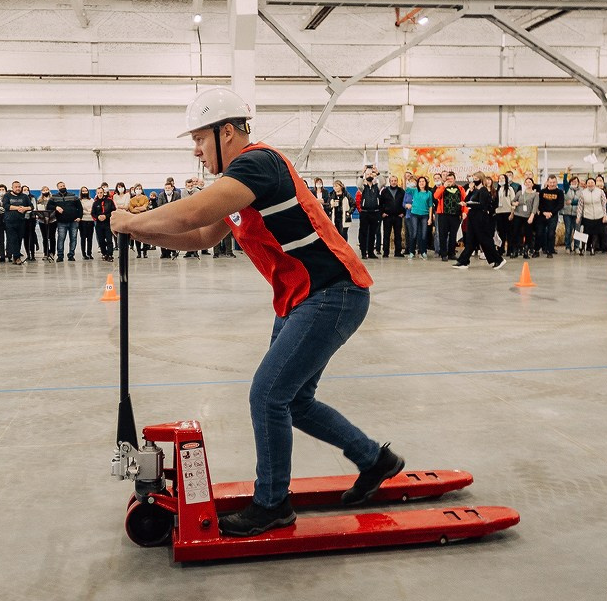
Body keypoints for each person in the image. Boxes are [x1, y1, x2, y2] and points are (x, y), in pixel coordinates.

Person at [111, 88, 402, 537]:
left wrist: (130, 221)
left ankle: (272, 504)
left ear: (226, 132)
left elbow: (191, 215)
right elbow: (202, 236)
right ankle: (374, 459)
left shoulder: (256, 163)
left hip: (331, 293)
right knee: (294, 400)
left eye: (200, 139)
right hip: (302, 297)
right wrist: (140, 234)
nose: (196, 150)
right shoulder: (241, 184)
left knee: (267, 396)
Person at [452, 171, 505, 269]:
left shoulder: (483, 190)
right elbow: (466, 199)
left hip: (480, 218)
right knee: (470, 241)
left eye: (476, 178)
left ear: (481, 179)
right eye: (473, 178)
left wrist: (468, 204)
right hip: (472, 217)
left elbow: (482, 205)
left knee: (485, 240)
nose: (474, 180)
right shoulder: (475, 190)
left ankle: (498, 259)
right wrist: (471, 191)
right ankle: (463, 261)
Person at [433, 172, 464, 261]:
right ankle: (443, 254)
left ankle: (451, 253)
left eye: (451, 179)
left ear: (455, 179)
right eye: (448, 179)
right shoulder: (441, 188)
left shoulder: (460, 188)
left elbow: (464, 200)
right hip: (443, 215)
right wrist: (444, 187)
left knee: (453, 235)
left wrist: (464, 212)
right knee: (443, 234)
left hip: (455, 215)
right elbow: (436, 196)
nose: (449, 180)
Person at [1, 181, 32, 265]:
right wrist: (18, 208)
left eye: (19, 187)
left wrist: (24, 208)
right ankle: (16, 257)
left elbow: (31, 206)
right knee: (13, 239)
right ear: (12, 188)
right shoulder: (7, 196)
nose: (18, 188)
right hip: (9, 221)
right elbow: (6, 206)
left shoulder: (24, 196)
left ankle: (16, 256)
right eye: (16, 187)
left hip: (21, 221)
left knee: (19, 239)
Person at [50, 181, 82, 262]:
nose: (62, 187)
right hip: (61, 222)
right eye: (61, 186)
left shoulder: (73, 196)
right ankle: (60, 256)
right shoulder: (54, 197)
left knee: (73, 239)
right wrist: (56, 207)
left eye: (63, 185)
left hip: (73, 221)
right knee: (61, 239)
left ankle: (71, 255)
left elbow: (80, 207)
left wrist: (79, 217)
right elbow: (49, 206)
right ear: (58, 188)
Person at [575, 176, 607, 255]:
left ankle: (593, 248)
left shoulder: (600, 192)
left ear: (595, 183)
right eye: (588, 183)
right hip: (587, 216)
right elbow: (580, 206)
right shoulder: (583, 193)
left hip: (598, 216)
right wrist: (578, 216)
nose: (590, 184)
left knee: (595, 233)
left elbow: (604, 204)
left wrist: (605, 215)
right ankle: (582, 248)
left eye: (592, 182)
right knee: (585, 233)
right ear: (586, 184)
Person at [535, 175, 564, 258]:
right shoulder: (542, 192)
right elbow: (539, 204)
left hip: (553, 216)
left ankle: (550, 251)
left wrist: (551, 213)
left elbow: (560, 205)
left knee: (551, 234)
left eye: (554, 182)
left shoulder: (560, 192)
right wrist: (544, 212)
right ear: (547, 182)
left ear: (556, 182)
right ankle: (536, 250)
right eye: (550, 182)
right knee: (539, 233)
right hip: (542, 215)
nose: (552, 184)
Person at [509, 177, 539, 258]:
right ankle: (515, 251)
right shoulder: (520, 192)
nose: (528, 183)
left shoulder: (535, 194)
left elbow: (535, 206)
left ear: (532, 184)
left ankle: (526, 251)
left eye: (529, 182)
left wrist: (532, 216)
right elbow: (512, 201)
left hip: (528, 216)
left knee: (528, 234)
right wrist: (514, 203)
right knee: (515, 233)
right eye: (526, 182)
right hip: (518, 215)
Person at [379, 174, 406, 258]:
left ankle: (398, 252)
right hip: (387, 216)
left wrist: (403, 213)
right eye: (392, 181)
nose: (393, 182)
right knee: (386, 235)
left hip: (398, 216)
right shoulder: (384, 191)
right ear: (389, 182)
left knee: (398, 235)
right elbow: (380, 203)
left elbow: (405, 202)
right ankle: (385, 252)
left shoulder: (401, 191)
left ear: (397, 182)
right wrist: (382, 213)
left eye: (395, 181)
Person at [356, 170, 381, 259]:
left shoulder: (377, 187)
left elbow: (383, 182)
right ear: (365, 176)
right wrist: (362, 173)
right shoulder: (363, 188)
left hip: (375, 212)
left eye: (371, 174)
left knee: (372, 233)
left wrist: (377, 173)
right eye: (367, 174)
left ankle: (371, 252)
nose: (369, 175)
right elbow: (358, 184)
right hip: (365, 213)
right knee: (364, 233)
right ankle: (363, 252)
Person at [406, 175, 432, 258]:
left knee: (424, 234)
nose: (421, 183)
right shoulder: (414, 191)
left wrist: (430, 218)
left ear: (426, 183)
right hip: (414, 214)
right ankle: (412, 251)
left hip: (425, 215)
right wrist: (407, 180)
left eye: (423, 181)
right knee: (414, 234)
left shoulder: (429, 193)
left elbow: (430, 206)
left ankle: (423, 251)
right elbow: (406, 189)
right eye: (420, 182)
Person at [90, 184, 116, 260]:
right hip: (99, 224)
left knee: (109, 240)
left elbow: (113, 211)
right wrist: (98, 217)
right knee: (101, 240)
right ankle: (104, 253)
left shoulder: (109, 201)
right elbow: (93, 213)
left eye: (101, 192)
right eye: (98, 193)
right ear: (96, 193)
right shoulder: (95, 203)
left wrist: (106, 216)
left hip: (108, 223)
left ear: (103, 192)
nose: (100, 194)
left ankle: (110, 254)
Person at [560, 174, 580, 253]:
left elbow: (581, 201)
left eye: (576, 181)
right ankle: (567, 247)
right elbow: (564, 181)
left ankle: (576, 247)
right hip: (567, 213)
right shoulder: (567, 189)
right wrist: (566, 172)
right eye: (573, 181)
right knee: (568, 230)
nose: (574, 182)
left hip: (577, 214)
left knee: (577, 231)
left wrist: (572, 202)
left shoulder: (581, 191)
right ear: (570, 182)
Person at [77, 186, 95, 259]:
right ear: (81, 192)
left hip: (91, 220)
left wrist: (90, 211)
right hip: (83, 220)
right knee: (83, 238)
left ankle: (89, 253)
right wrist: (87, 211)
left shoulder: (91, 200)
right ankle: (84, 254)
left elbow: (93, 209)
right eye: (83, 191)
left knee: (90, 238)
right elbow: (80, 210)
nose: (85, 192)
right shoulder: (79, 200)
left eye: (86, 191)